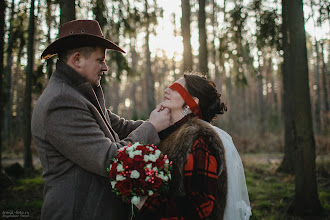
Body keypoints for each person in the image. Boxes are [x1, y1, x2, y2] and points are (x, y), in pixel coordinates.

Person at [31, 20, 171, 220]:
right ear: (77, 60)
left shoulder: (79, 95)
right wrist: (152, 126)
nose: (105, 67)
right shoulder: (61, 102)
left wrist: (167, 123)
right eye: (100, 60)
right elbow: (111, 159)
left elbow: (122, 127)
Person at [135, 73, 251, 220]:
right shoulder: (166, 134)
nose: (166, 90)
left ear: (192, 104)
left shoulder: (199, 140)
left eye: (175, 88)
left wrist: (148, 203)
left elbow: (200, 207)